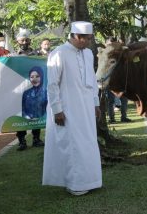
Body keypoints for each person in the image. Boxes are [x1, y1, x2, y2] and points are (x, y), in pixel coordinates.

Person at [42, 21, 102, 196]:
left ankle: (91, 181)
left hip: (86, 108)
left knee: (88, 143)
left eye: (91, 38)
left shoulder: (89, 53)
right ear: (77, 37)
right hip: (67, 108)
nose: (89, 42)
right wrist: (57, 110)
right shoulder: (58, 53)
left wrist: (95, 103)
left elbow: (91, 80)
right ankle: (75, 184)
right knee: (72, 145)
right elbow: (52, 85)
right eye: (87, 39)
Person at [15, 30, 44, 150]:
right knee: (20, 113)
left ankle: (36, 139)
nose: (24, 42)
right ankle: (21, 141)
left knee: (36, 113)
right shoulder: (13, 55)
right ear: (17, 42)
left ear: (30, 41)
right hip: (21, 90)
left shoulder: (37, 54)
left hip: (36, 90)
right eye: (22, 40)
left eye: (26, 40)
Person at [104, 36, 131, 123]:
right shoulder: (103, 54)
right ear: (106, 44)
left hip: (120, 80)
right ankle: (112, 118)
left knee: (124, 99)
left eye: (113, 44)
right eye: (109, 44)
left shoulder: (119, 53)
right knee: (110, 100)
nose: (111, 46)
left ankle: (123, 117)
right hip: (109, 81)